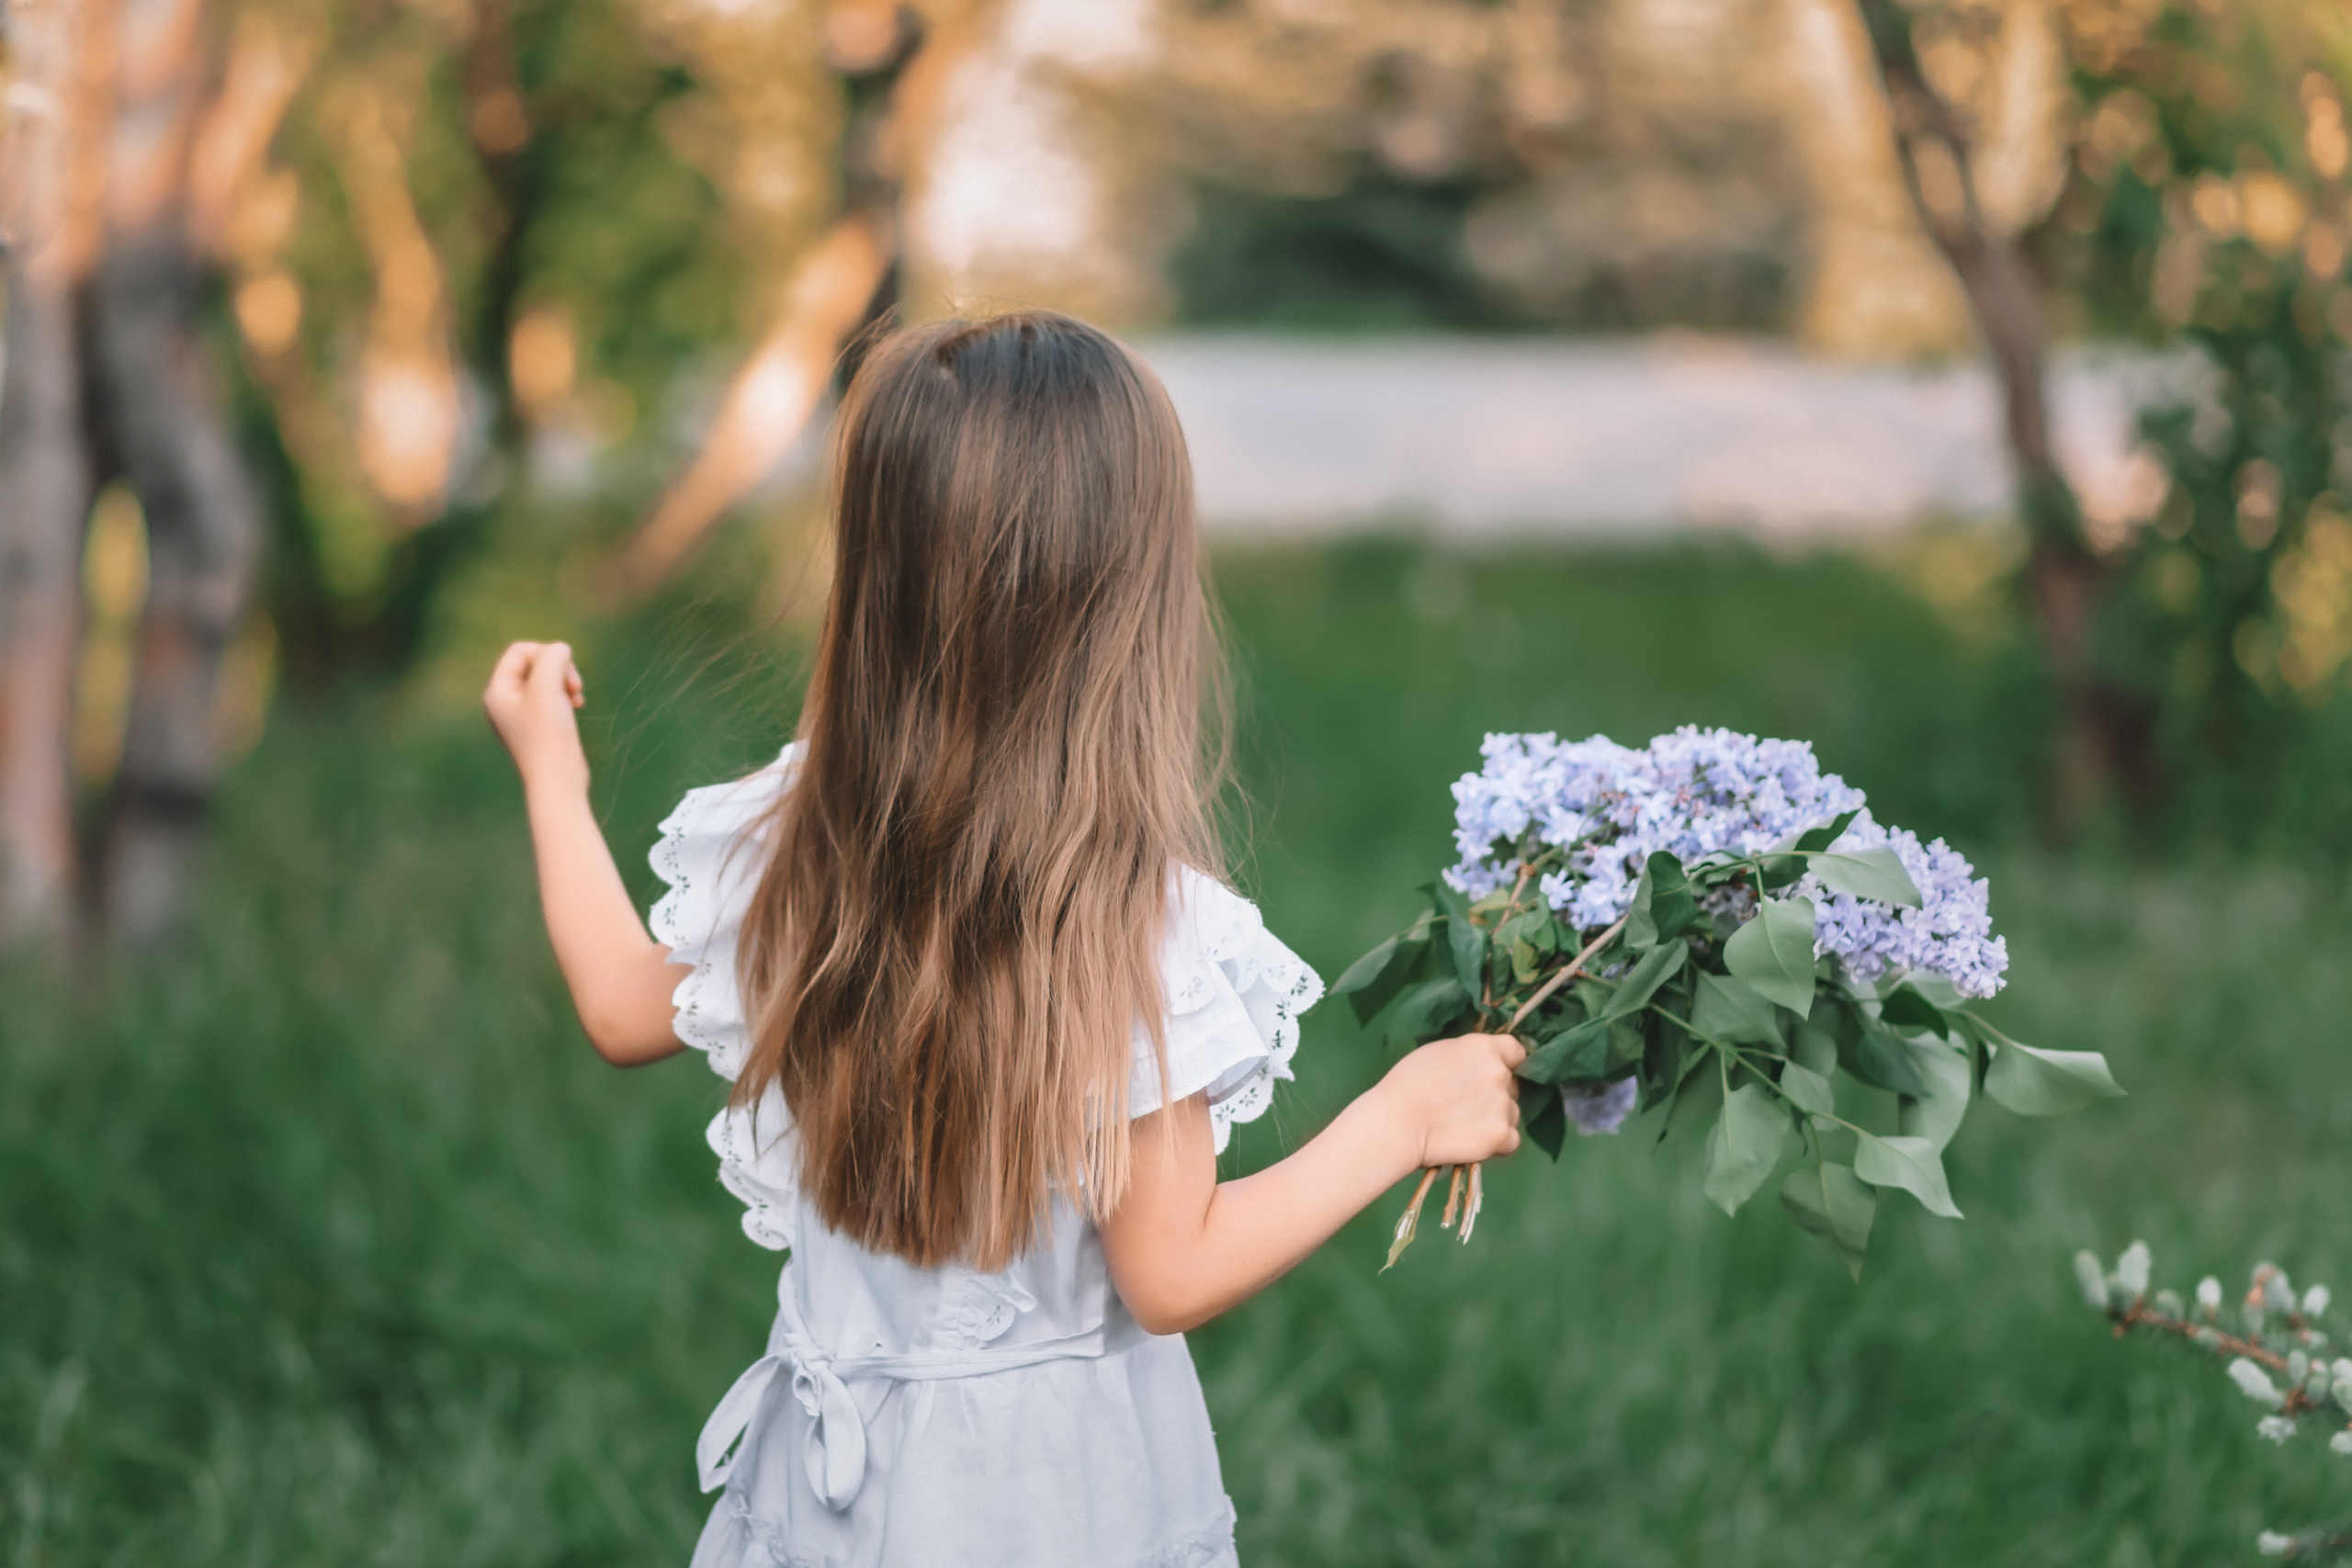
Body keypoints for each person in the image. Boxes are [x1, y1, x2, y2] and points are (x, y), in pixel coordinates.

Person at [482, 310, 1524, 1568]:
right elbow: (1172, 1271)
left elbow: (614, 1005)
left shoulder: (800, 843)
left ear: (875, 580)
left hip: (831, 1507)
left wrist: (551, 773)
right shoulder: (1136, 929)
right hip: (1046, 1510)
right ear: (1130, 602)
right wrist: (1402, 1119)